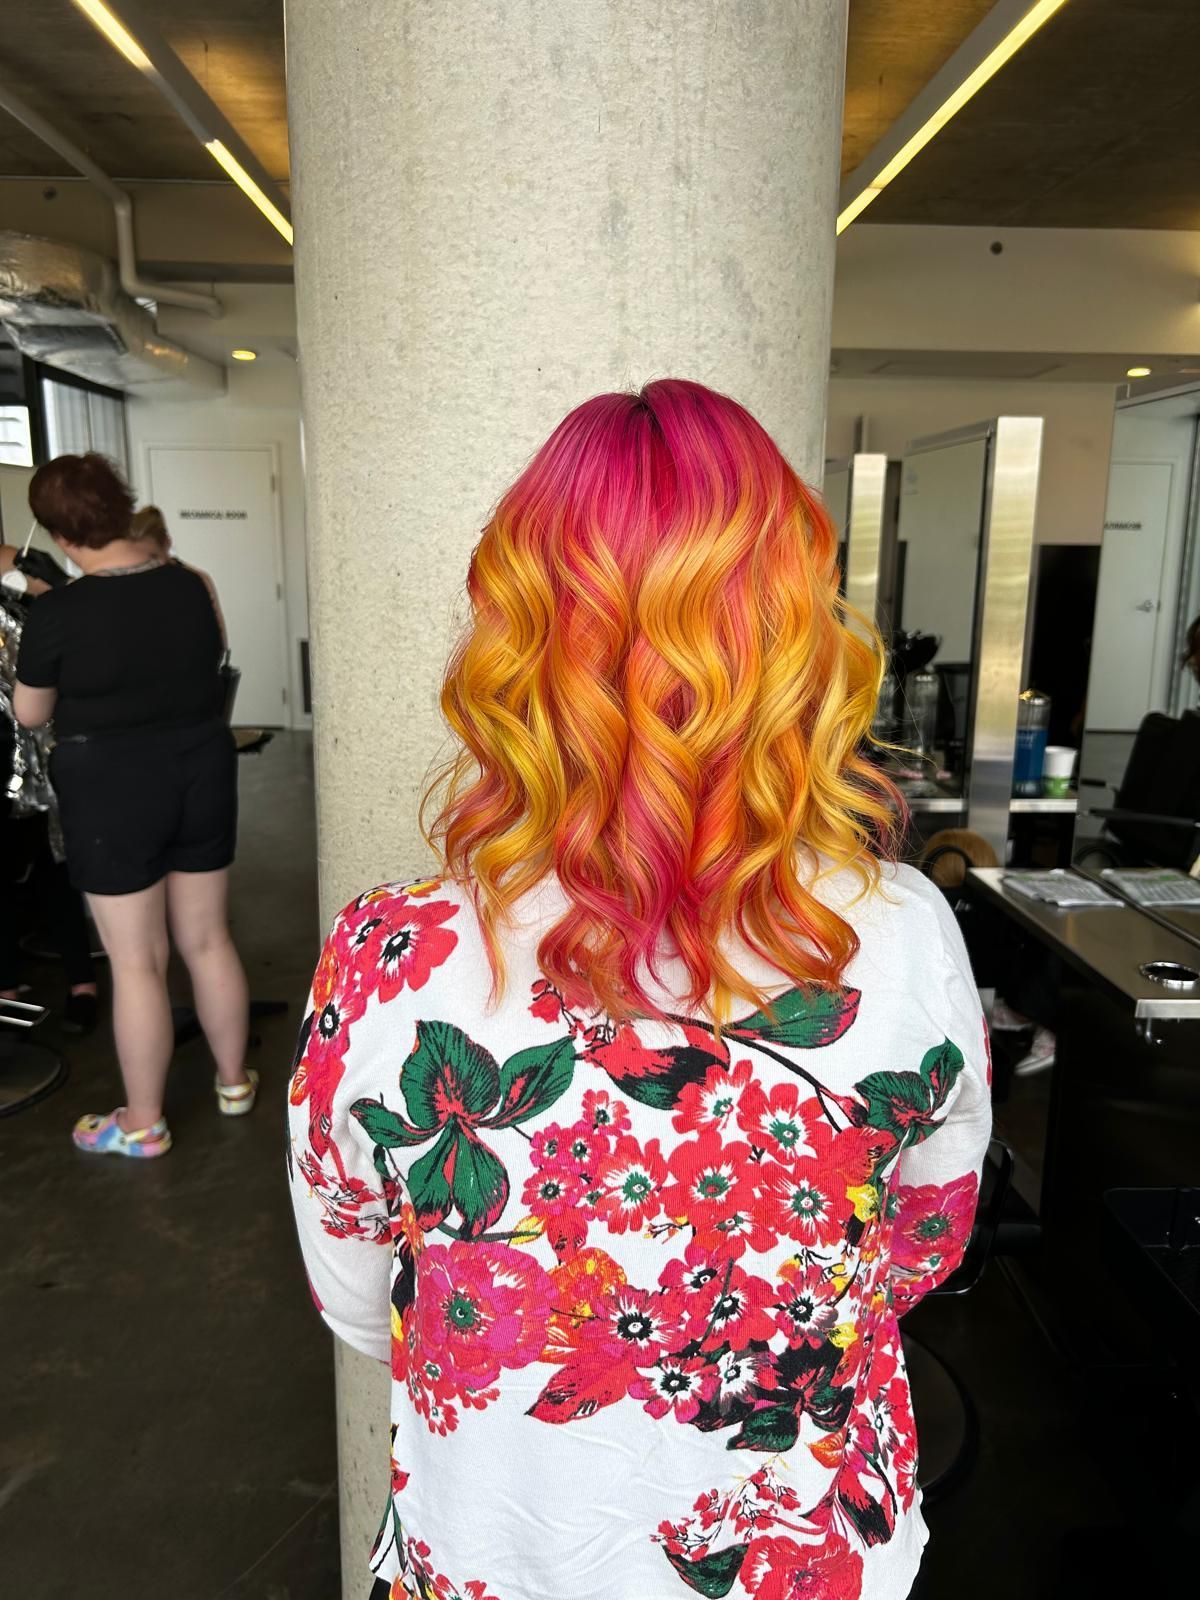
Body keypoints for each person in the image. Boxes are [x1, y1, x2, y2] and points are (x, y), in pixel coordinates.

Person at [287, 380, 992, 1600]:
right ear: (793, 629)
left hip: (499, 1555)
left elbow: (357, 1295)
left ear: (519, 631)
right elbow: (925, 1238)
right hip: (811, 1557)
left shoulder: (387, 952)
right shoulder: (906, 929)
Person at [12, 452, 255, 1155]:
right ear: (123, 505)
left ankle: (144, 1123)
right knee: (208, 939)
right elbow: (210, 659)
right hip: (201, 767)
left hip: (110, 784)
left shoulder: (55, 613)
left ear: (59, 535)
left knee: (137, 961)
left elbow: (30, 716)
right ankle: (235, 1083)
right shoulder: (192, 584)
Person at [1, 551, 98, 1030]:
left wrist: (43, 587)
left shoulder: (24, 584)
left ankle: (81, 982)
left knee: (54, 869)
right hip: (21, 752)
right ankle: (8, 989)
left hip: (41, 756)